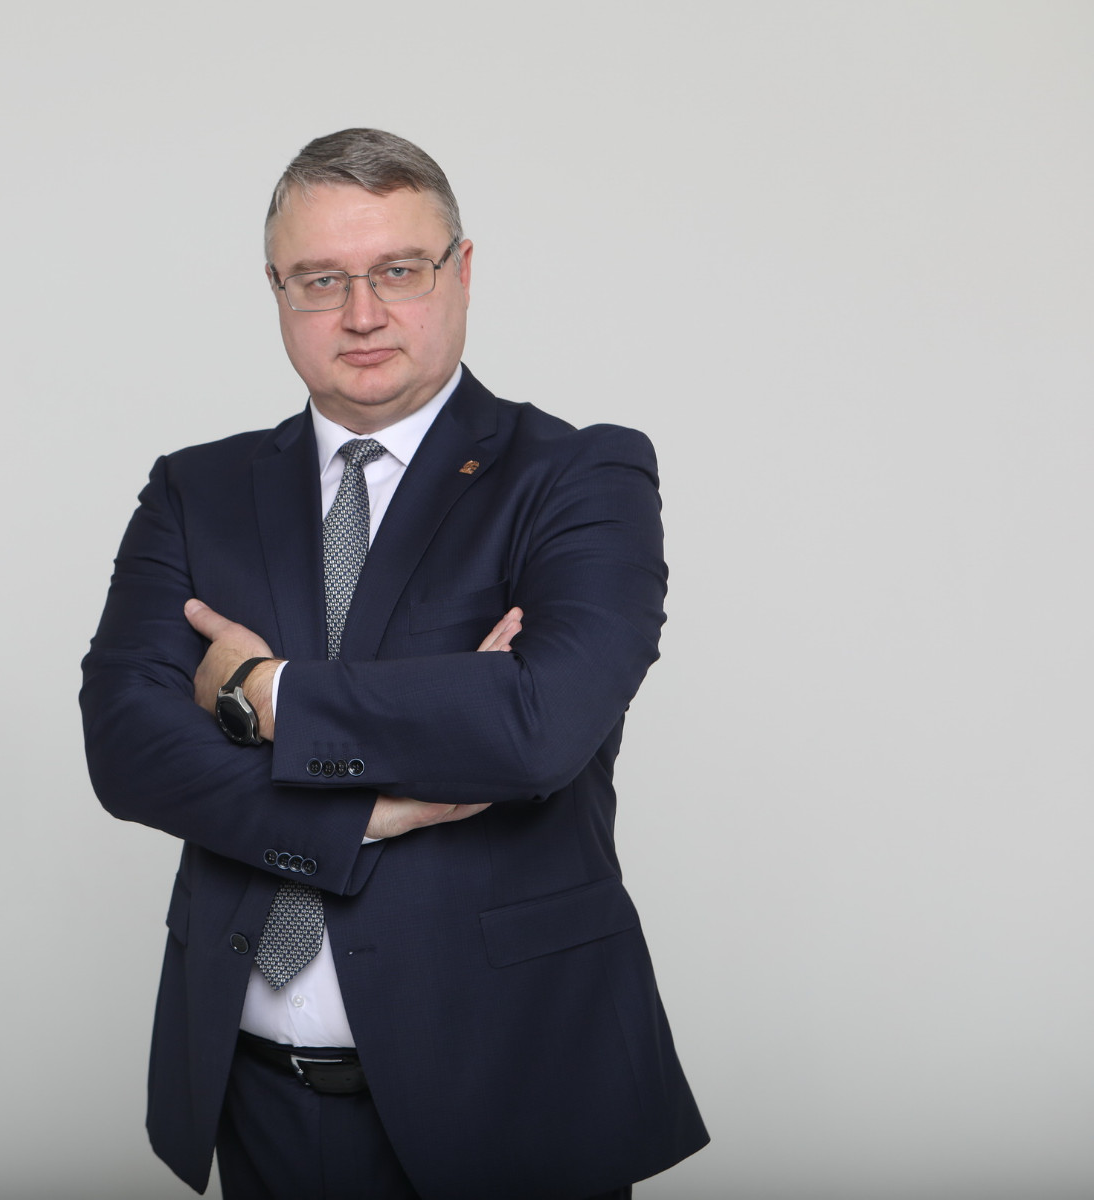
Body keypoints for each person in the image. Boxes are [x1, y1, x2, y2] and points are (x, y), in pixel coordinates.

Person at [81, 129, 707, 1198]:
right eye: (321, 279)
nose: (362, 314)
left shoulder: (577, 475)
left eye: (399, 271)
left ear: (462, 271)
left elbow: (536, 725)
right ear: (276, 290)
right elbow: (128, 749)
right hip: (255, 1096)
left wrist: (258, 692)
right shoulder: (196, 492)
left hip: (516, 1088)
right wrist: (366, 808)